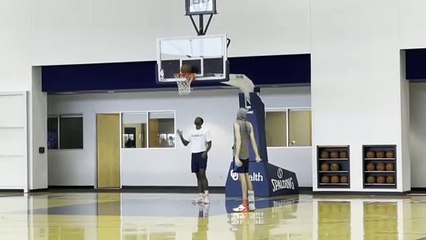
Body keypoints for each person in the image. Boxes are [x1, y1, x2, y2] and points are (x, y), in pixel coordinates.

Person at [232, 108, 261, 212]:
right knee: (247, 176)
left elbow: (238, 141)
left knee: (242, 178)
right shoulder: (249, 125)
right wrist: (257, 155)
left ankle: (244, 204)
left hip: (239, 154)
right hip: (247, 154)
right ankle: (252, 203)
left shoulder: (236, 124)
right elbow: (253, 141)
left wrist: (236, 156)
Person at [177, 117, 212, 204]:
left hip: (202, 154)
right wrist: (181, 136)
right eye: (196, 119)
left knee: (202, 175)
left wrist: (206, 152)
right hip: (194, 154)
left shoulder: (205, 131)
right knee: (197, 176)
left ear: (201, 122)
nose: (196, 119)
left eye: (198, 119)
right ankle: (201, 196)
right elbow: (186, 143)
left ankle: (207, 196)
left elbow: (210, 143)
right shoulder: (191, 131)